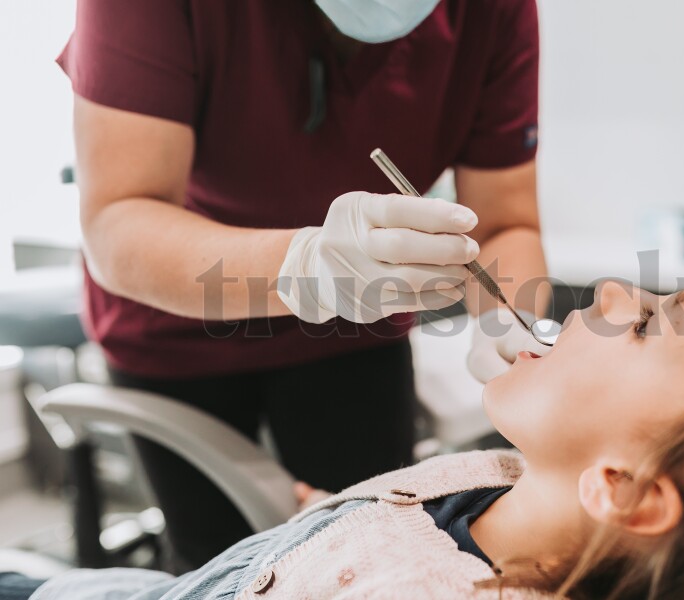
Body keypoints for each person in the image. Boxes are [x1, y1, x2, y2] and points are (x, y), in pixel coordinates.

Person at [5, 280, 684, 599]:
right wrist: (336, 516)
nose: (619, 289)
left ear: (624, 490)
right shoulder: (516, 480)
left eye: (649, 324)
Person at [57, 0, 549, 569]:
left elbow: (502, 223)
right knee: (219, 566)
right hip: (178, 323)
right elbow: (119, 217)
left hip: (358, 331)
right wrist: (304, 264)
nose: (609, 303)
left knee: (370, 553)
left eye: (641, 323)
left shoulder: (493, 12)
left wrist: (503, 324)